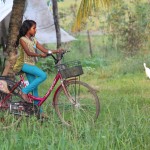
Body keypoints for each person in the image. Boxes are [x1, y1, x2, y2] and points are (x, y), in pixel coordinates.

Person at [13, 20, 63, 108]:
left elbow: (45, 50)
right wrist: (39, 55)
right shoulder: (22, 40)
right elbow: (28, 53)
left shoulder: (33, 40)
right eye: (34, 28)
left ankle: (38, 112)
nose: (36, 30)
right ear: (28, 29)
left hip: (31, 65)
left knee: (34, 89)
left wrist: (57, 51)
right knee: (43, 75)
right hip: (24, 64)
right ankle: (24, 91)